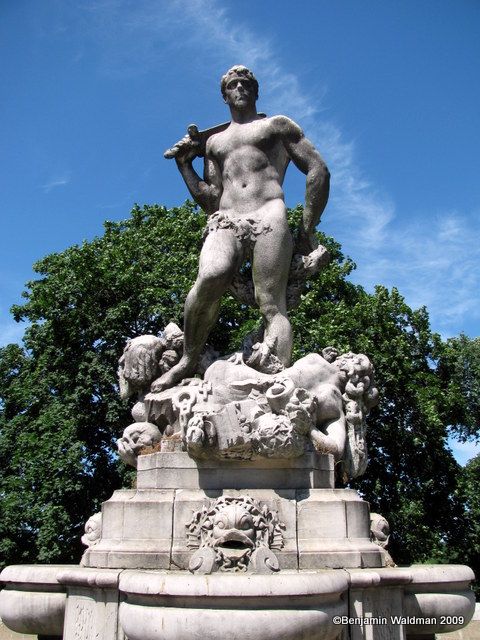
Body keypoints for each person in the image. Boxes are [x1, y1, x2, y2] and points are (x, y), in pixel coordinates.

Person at [152, 65, 330, 391]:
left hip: (269, 214)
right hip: (227, 219)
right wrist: (184, 165)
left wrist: (307, 227)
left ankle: (276, 384)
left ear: (256, 91)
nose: (240, 88)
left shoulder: (276, 126)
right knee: (210, 275)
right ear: (224, 95)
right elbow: (211, 198)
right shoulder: (215, 143)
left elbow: (318, 169)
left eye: (246, 83)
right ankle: (188, 360)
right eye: (233, 84)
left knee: (272, 303)